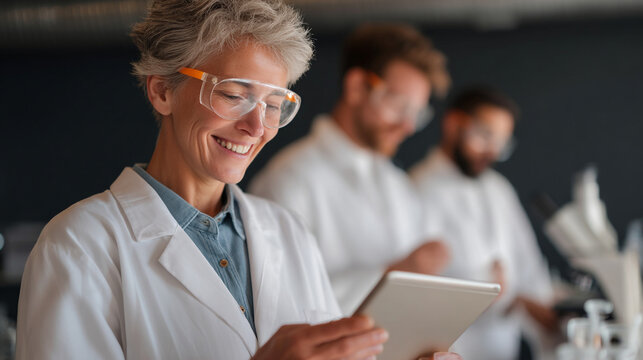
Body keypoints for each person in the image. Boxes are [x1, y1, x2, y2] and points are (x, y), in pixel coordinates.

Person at [15, 1, 391, 359]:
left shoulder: (288, 231)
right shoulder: (79, 246)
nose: (256, 127)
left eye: (273, 105)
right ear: (162, 90)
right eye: (232, 95)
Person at [250, 23, 452, 315]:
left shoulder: (399, 186)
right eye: (398, 105)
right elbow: (279, 304)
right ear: (357, 86)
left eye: (416, 113)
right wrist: (391, 276)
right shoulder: (289, 179)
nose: (408, 126)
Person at [409, 87, 558, 360]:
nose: (492, 151)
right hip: (448, 349)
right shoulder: (416, 190)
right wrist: (486, 288)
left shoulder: (499, 189)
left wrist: (543, 310)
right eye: (485, 135)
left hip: (503, 348)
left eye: (501, 142)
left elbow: (528, 266)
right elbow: (416, 291)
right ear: (454, 124)